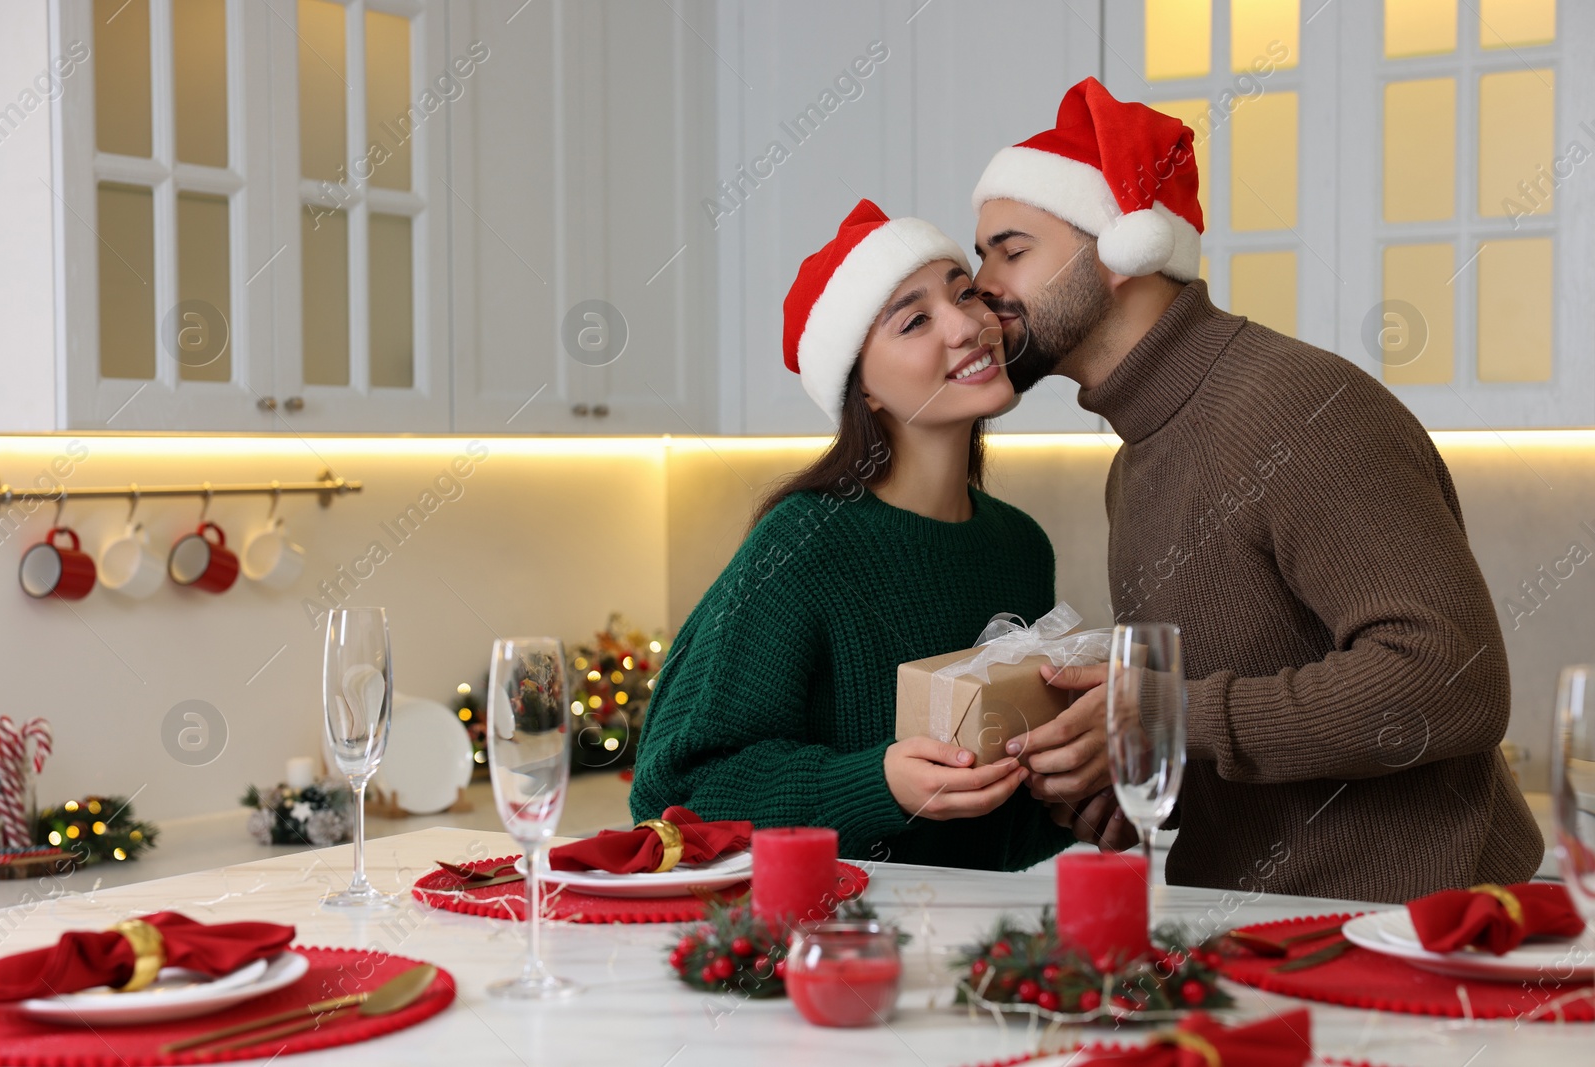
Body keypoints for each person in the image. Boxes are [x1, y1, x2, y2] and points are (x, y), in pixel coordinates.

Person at [969, 78, 1542, 901]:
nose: (982, 284)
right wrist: (1138, 780)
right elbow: (1238, 705)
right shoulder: (1133, 462)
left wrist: (1165, 718)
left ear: (1120, 251)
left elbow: (1451, 681)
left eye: (1010, 248)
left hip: (1411, 931)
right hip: (1253, 926)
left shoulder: (1299, 406)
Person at [629, 200, 1074, 870]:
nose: (966, 325)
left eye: (964, 293)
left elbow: (1000, 836)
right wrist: (878, 784)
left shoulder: (1019, 547)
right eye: (915, 320)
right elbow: (677, 792)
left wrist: (1077, 787)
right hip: (827, 945)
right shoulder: (804, 544)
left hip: (971, 943)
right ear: (864, 389)